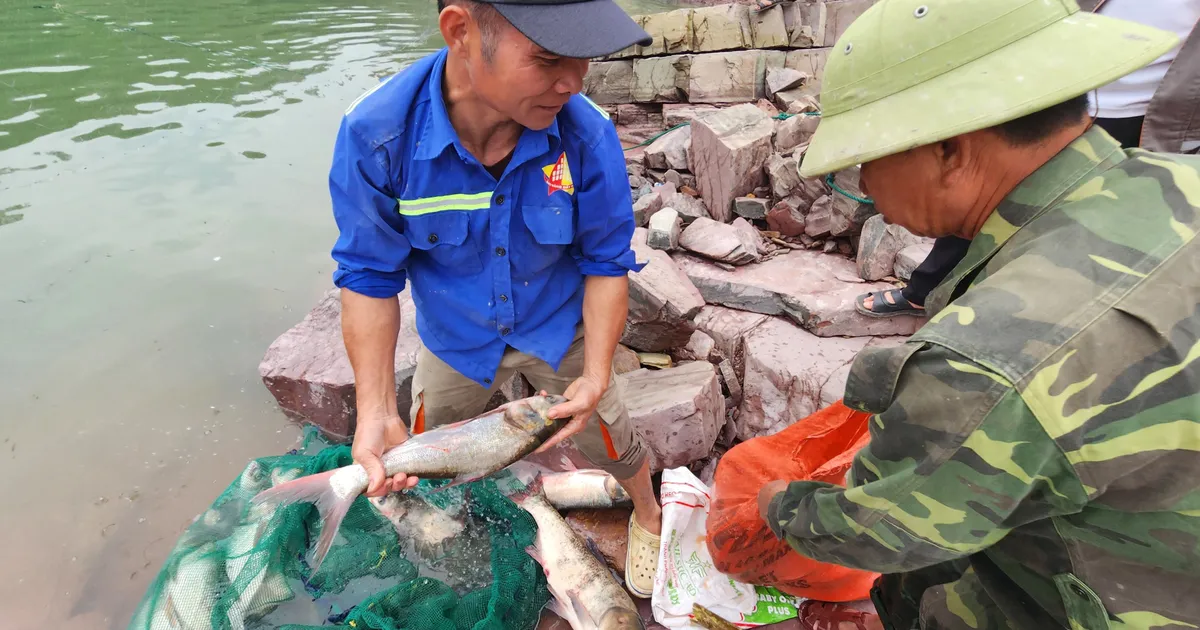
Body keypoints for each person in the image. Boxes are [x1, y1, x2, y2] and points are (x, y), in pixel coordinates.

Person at [755, 0, 1200, 628]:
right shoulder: (1182, 181)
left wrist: (777, 506)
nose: (870, 193)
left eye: (866, 163)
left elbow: (886, 530)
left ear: (949, 150)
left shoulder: (990, 356)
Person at [326, 0, 664, 597]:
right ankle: (449, 517)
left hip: (559, 331)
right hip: (456, 342)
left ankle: (649, 513)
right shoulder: (377, 136)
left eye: (583, 58)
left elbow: (607, 263)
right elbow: (368, 276)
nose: (574, 81)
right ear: (460, 32)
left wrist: (594, 373)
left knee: (609, 434)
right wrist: (376, 406)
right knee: (424, 447)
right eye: (548, 58)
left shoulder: (586, 134)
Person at [855, 0, 1200, 320]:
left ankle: (1023, 314)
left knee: (1083, 216)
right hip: (1061, 90)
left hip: (1148, 116)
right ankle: (928, 290)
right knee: (977, 201)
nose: (863, 185)